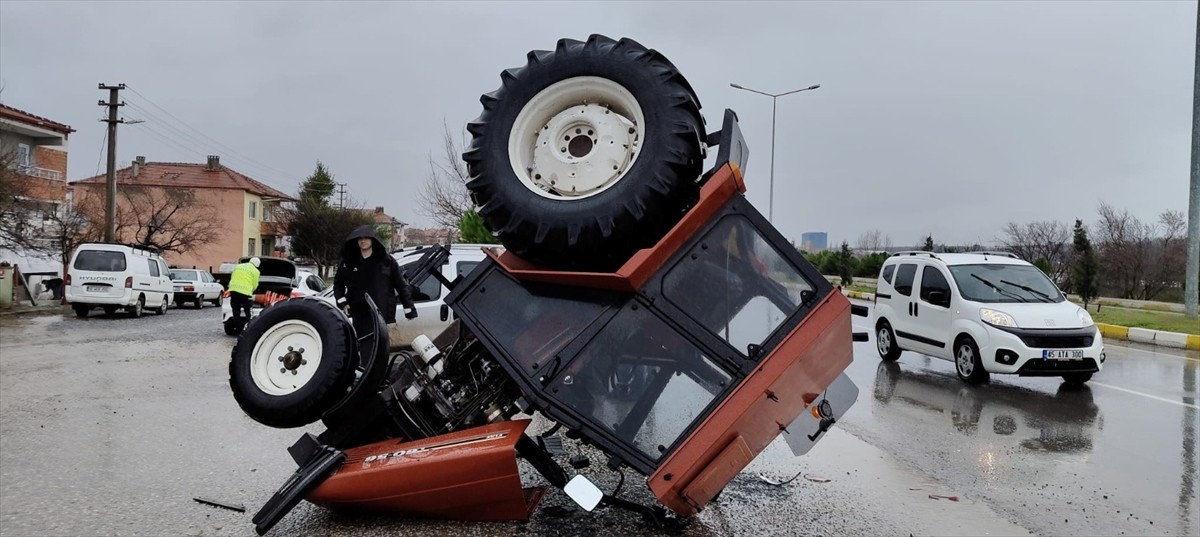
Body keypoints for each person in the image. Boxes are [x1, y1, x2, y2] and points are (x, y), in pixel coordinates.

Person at [333, 226, 417, 337]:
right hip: (359, 313)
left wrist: (409, 307)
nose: (363, 241)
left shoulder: (387, 261)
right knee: (363, 347)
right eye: (360, 238)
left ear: (373, 240)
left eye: (366, 238)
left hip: (383, 313)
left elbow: (401, 286)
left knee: (381, 347)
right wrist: (343, 303)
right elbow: (338, 284)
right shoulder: (349, 262)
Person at [228, 257, 261, 331]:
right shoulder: (256, 271)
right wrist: (252, 291)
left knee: (236, 312)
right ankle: (248, 330)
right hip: (245, 293)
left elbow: (232, 277)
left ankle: (238, 331)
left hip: (234, 291)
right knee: (248, 313)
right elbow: (255, 284)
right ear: (257, 265)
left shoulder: (238, 266)